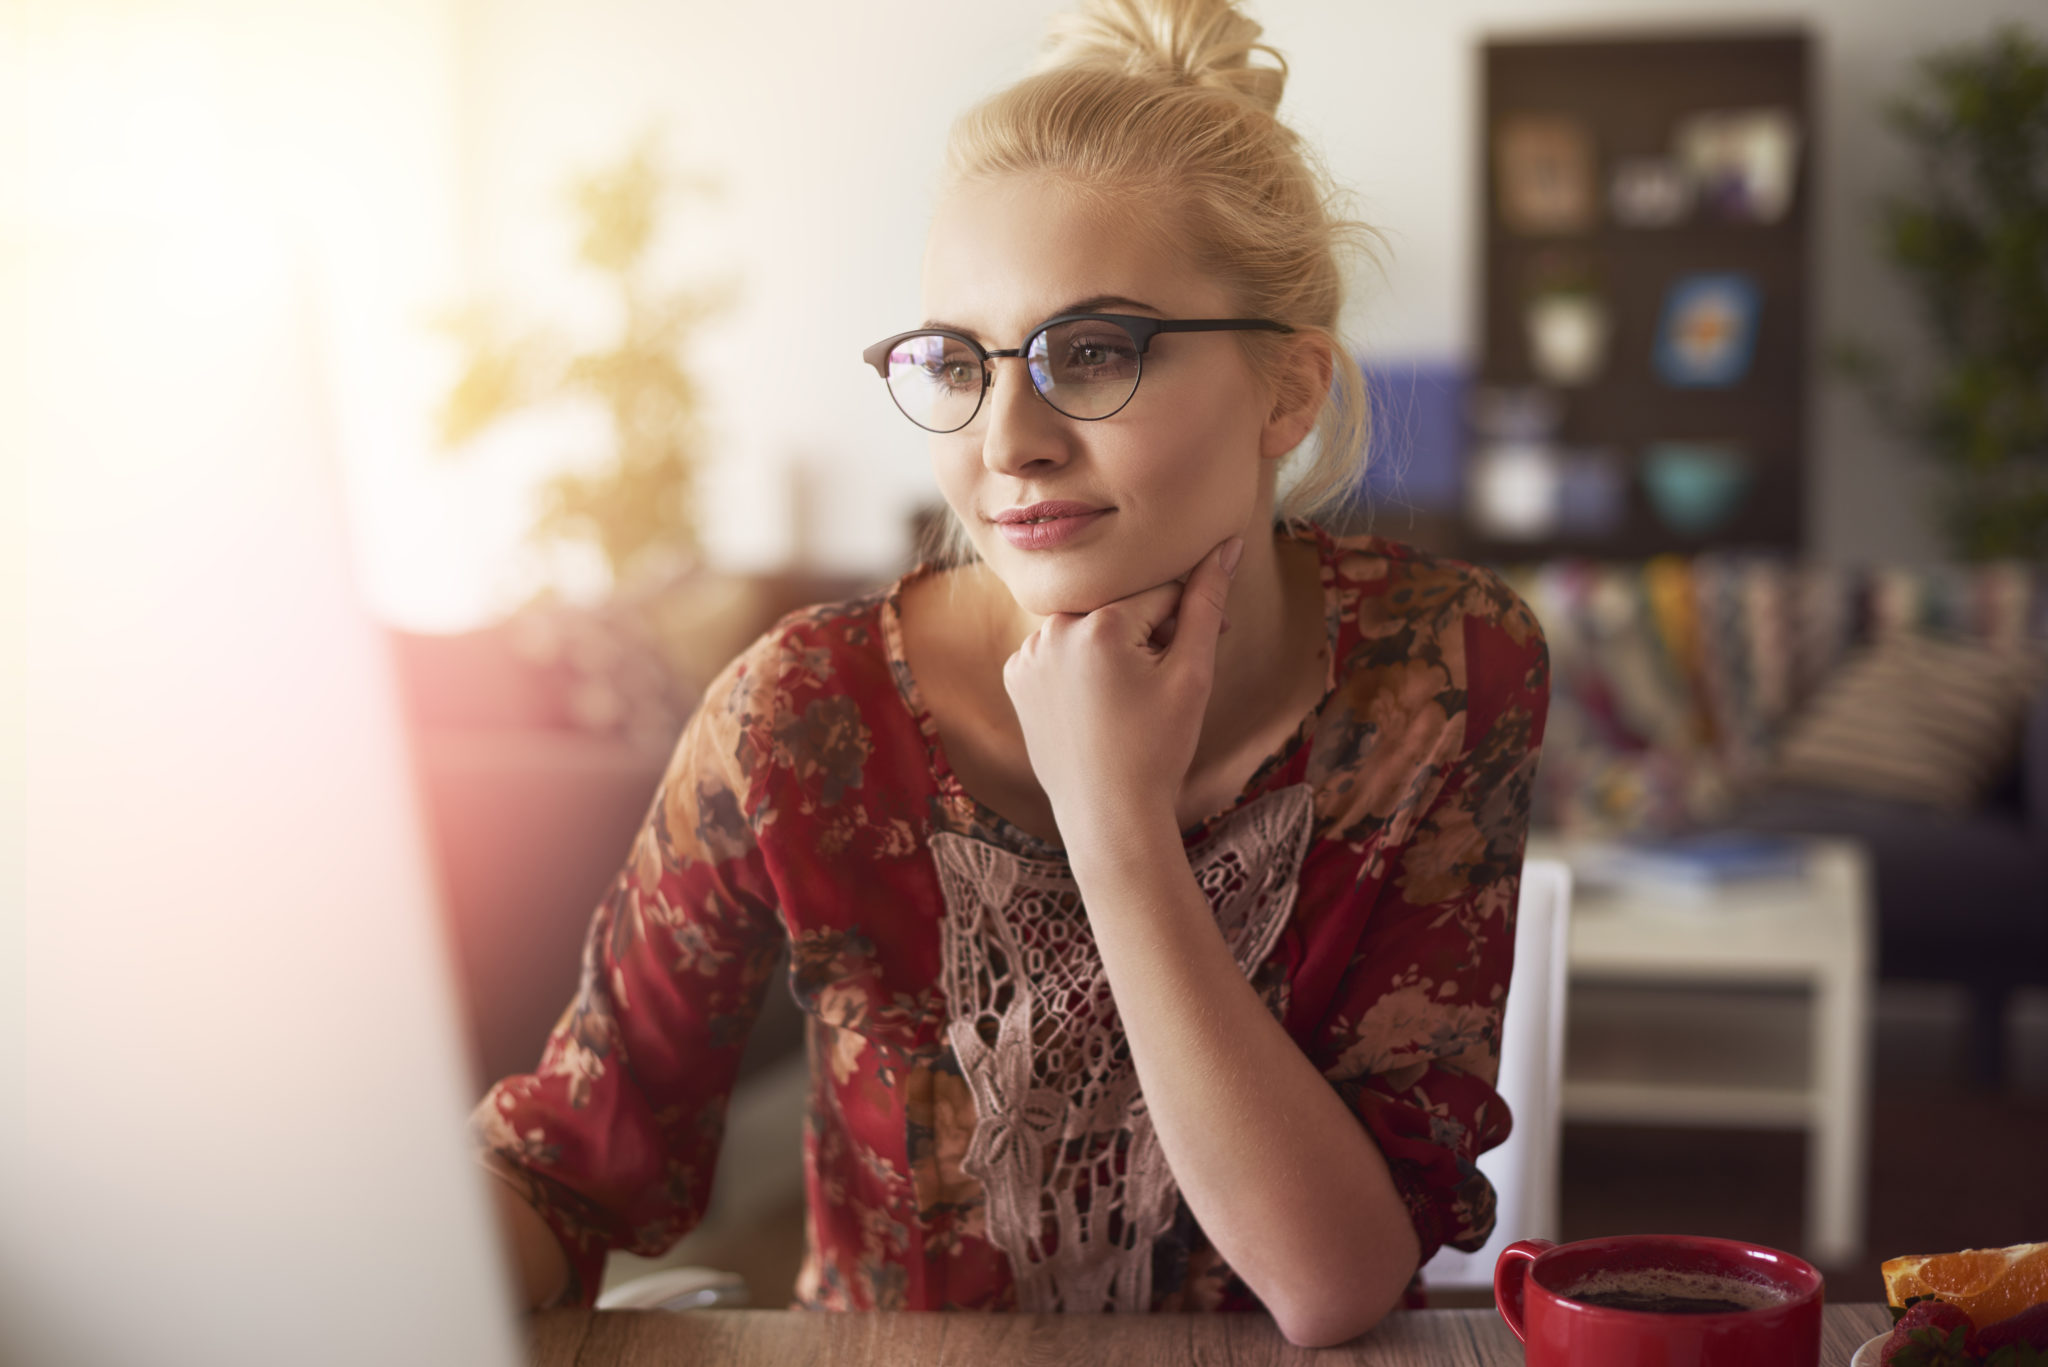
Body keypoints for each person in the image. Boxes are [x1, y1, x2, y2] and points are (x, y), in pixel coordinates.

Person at [474, 0, 1549, 1347]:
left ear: (1289, 394)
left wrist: (1114, 818)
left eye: (1091, 354)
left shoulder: (1439, 674)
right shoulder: (803, 716)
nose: (1008, 440)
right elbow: (563, 1165)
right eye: (956, 363)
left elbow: (1333, 1281)